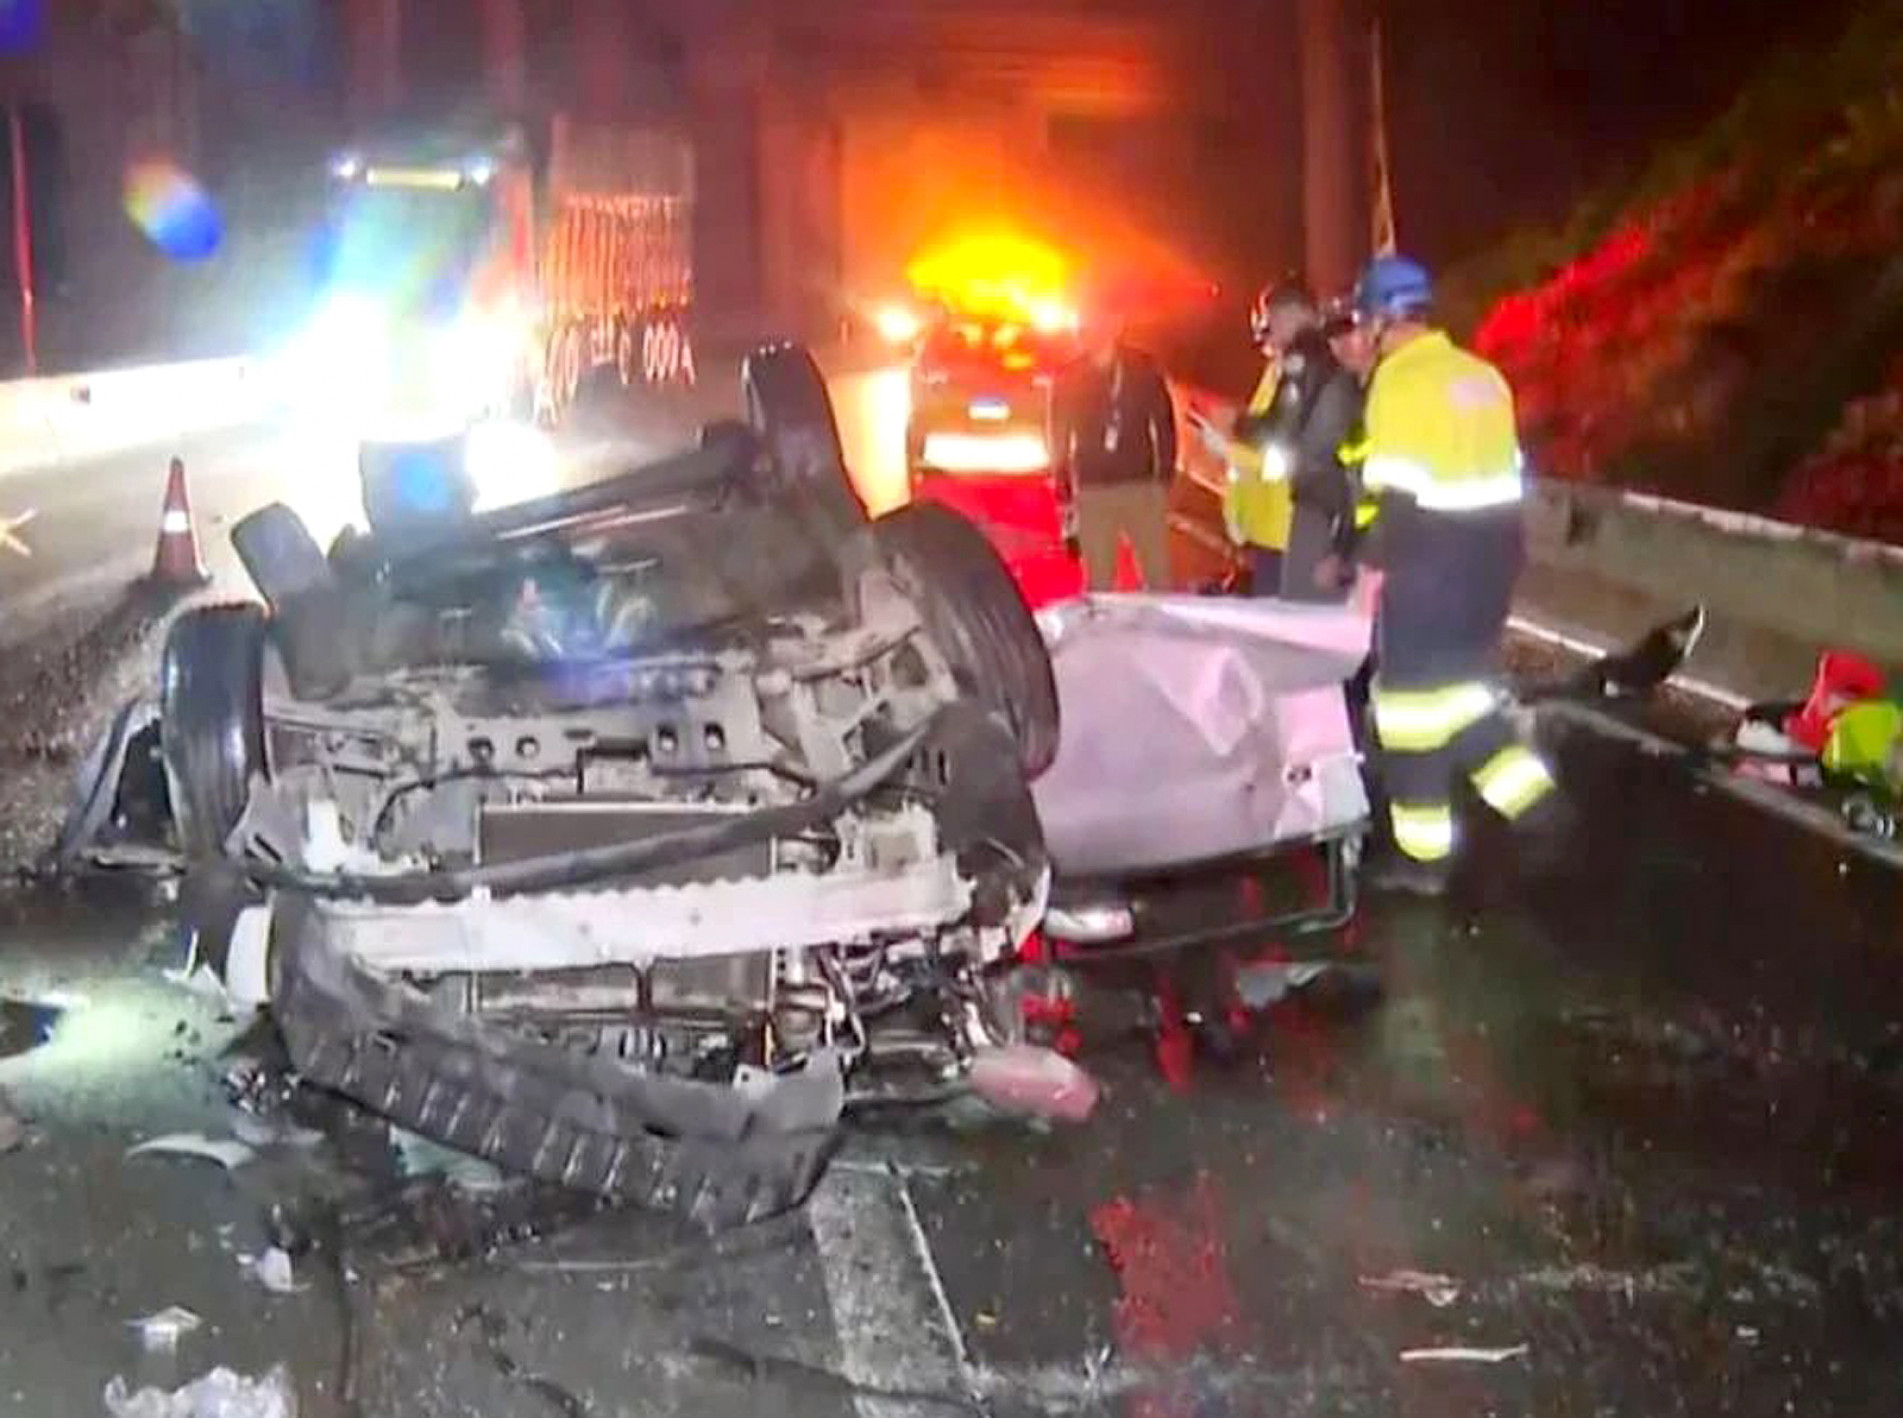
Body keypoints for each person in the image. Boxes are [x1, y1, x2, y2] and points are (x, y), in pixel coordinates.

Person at [1349, 254, 1558, 895]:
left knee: (1408, 711)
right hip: (1493, 563)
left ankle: (1424, 861)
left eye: (1366, 322)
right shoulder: (1484, 377)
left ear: (1384, 320)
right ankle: (1540, 809)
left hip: (1430, 564)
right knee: (1463, 694)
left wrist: (1367, 577)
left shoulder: (1399, 384)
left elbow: (1398, 500)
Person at [1053, 313, 1177, 589]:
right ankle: (1104, 630)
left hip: (1139, 484)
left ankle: (1160, 630)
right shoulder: (1070, 376)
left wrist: (1164, 476)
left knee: (1157, 577)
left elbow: (1164, 422)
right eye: (1082, 329)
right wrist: (1063, 486)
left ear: (1115, 328)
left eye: (1094, 327)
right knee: (1099, 581)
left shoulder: (1143, 368)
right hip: (1094, 487)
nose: (1086, 334)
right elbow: (1059, 432)